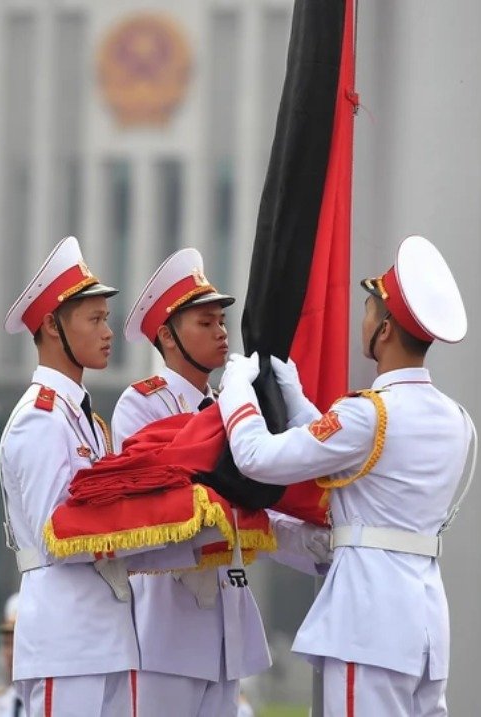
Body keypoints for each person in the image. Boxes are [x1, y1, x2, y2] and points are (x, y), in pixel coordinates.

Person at [216, 235, 476, 716]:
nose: (364, 320)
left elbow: (256, 456)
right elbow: (361, 464)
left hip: (370, 622)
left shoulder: (369, 414)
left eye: (369, 310)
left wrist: (236, 394)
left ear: (385, 330)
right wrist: (297, 402)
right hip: (423, 625)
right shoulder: (454, 419)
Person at [112, 248, 330, 716]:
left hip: (225, 621)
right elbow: (171, 504)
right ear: (168, 337)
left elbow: (255, 508)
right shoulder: (142, 404)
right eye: (205, 323)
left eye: (221, 322)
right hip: (165, 624)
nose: (221, 332)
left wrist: (313, 544)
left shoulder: (231, 406)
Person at [0, 236, 139, 717]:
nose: (108, 331)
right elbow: (55, 533)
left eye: (106, 318)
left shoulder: (83, 418)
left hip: (105, 633)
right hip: (66, 634)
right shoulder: (40, 419)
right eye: (95, 319)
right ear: (54, 327)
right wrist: (141, 519)